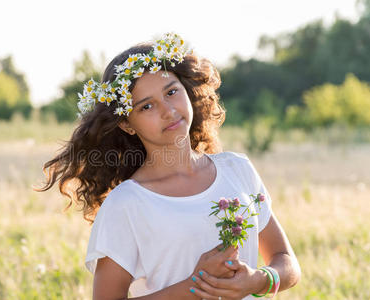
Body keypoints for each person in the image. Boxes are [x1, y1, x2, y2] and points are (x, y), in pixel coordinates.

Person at [36, 33, 301, 300]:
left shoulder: (238, 170)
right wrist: (195, 285)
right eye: (147, 106)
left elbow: (286, 262)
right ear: (126, 124)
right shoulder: (126, 204)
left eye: (171, 92)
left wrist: (257, 281)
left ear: (187, 90)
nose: (168, 111)